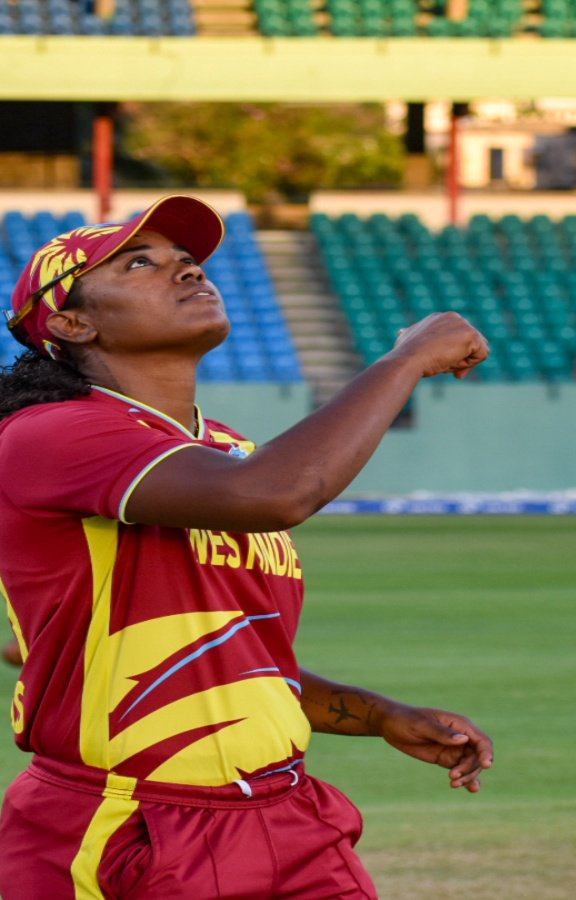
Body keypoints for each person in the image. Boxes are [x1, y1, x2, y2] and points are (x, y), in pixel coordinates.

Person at [0, 195, 494, 899]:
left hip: (285, 814)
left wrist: (379, 713)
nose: (187, 272)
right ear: (71, 322)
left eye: (189, 261)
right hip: (127, 826)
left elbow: (235, 658)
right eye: (140, 263)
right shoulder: (55, 434)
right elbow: (275, 495)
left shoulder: (224, 452)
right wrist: (407, 359)